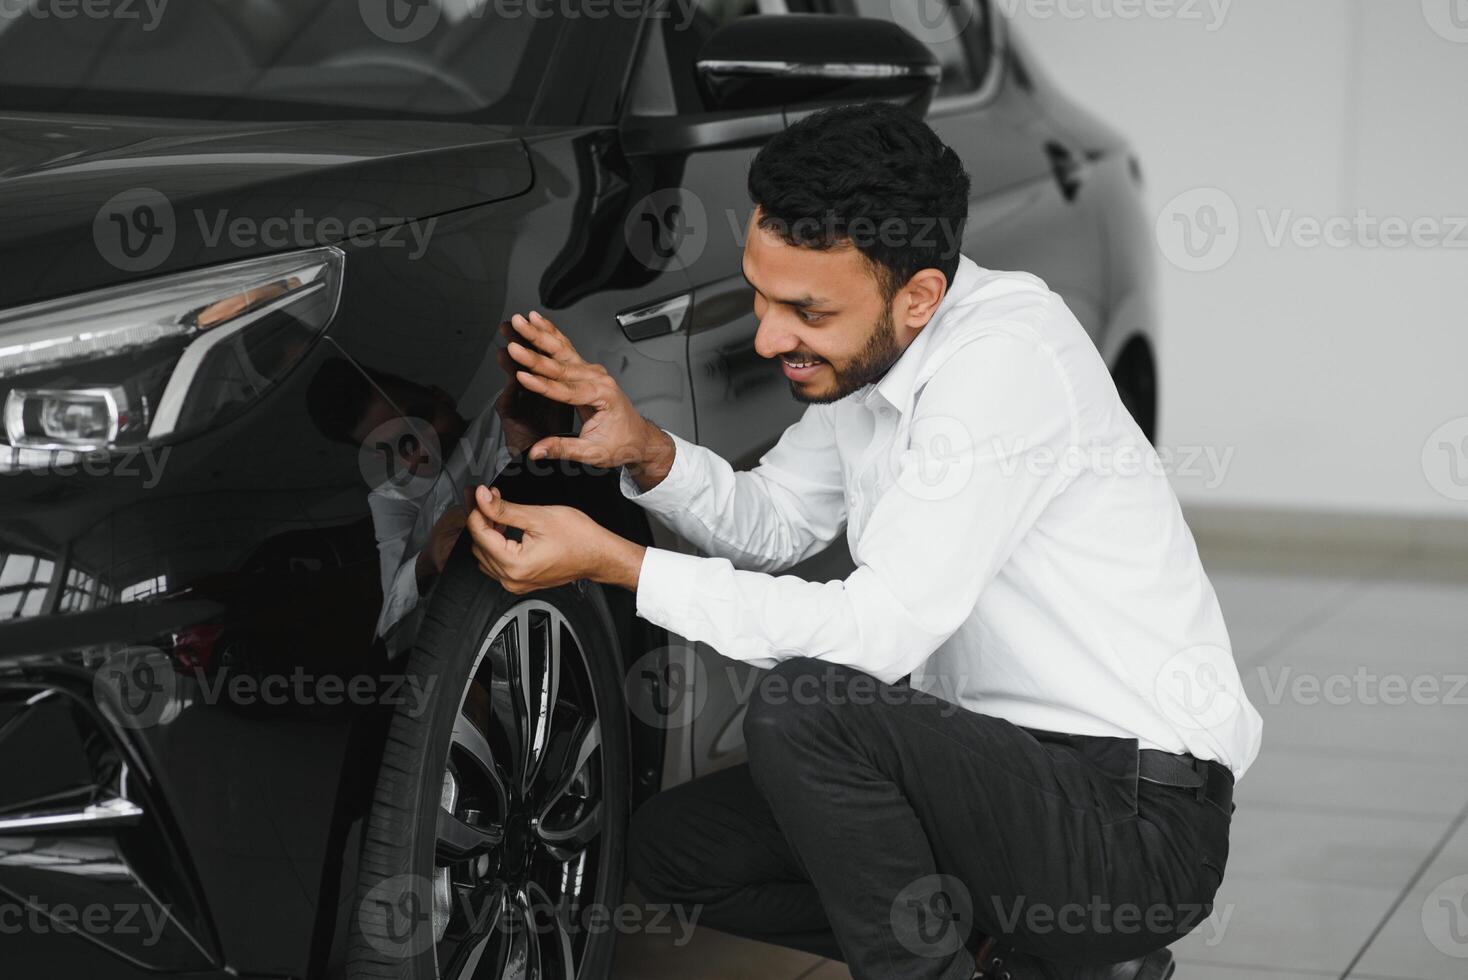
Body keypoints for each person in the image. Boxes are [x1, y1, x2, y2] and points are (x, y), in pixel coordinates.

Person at [463, 101, 1263, 980]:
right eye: (759, 297)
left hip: (1131, 818)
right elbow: (777, 522)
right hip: (992, 775)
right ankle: (1033, 961)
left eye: (804, 310)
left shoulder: (1005, 364)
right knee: (675, 853)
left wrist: (619, 564)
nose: (771, 338)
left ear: (918, 295)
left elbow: (881, 635)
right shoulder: (875, 355)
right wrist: (645, 450)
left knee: (808, 709)